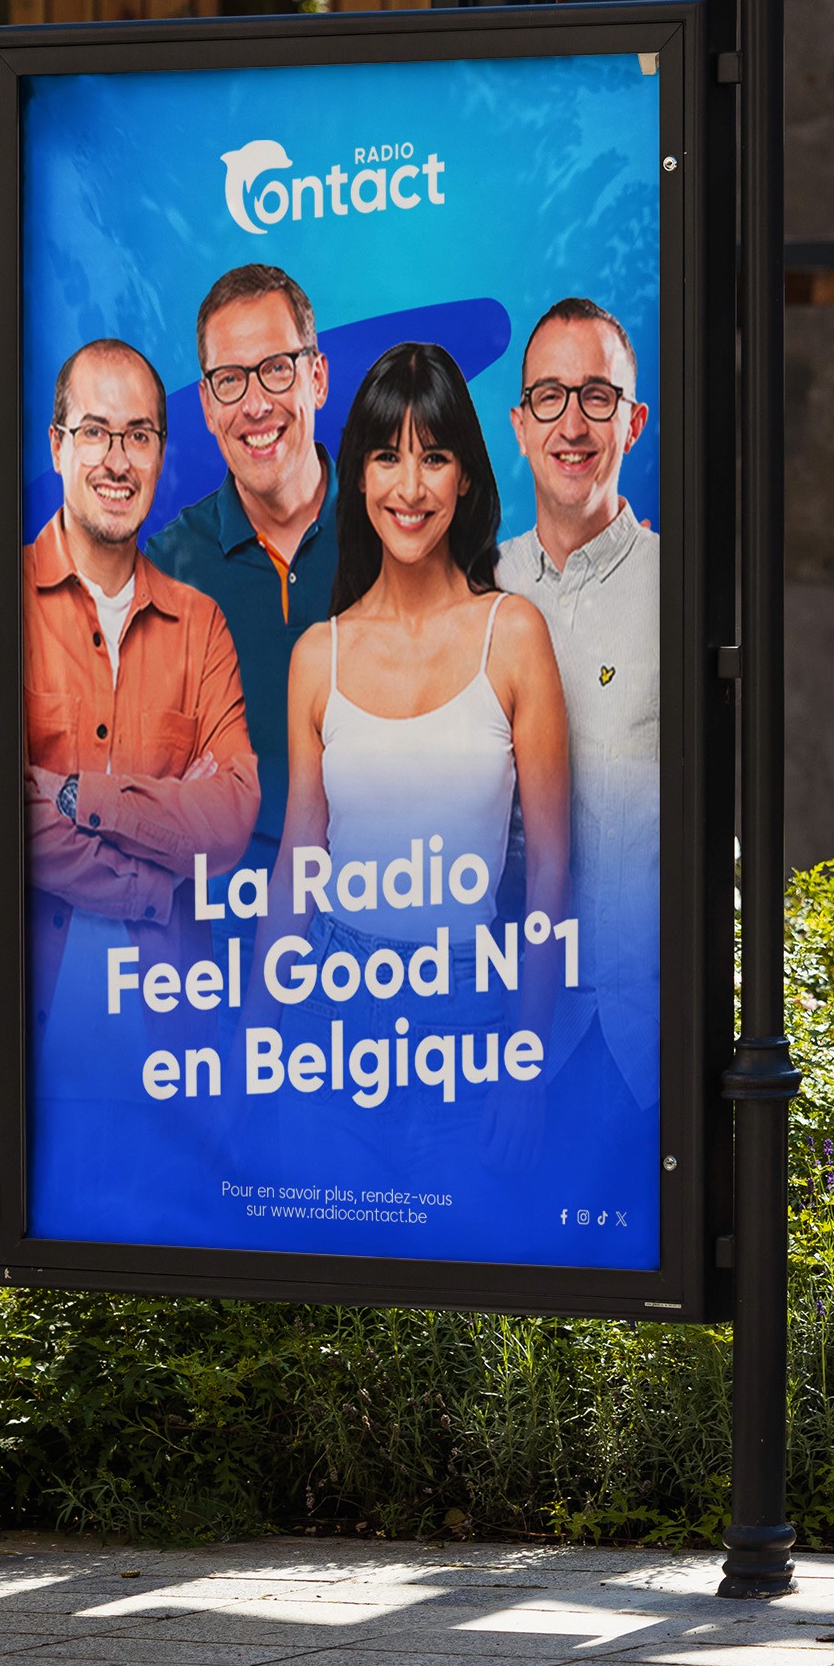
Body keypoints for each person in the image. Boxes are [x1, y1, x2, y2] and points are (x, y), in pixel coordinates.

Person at [251, 342, 570, 1159]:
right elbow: (298, 860)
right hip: (328, 997)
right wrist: (254, 1036)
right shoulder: (316, 656)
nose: (411, 485)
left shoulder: (514, 636)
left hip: (465, 1005)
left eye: (434, 456)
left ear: (464, 476)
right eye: (388, 456)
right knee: (316, 1264)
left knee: (455, 1274)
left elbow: (550, 873)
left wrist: (526, 1068)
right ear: (358, 476)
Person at [23, 337, 260, 1063]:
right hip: (36, 1064)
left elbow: (227, 822)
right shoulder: (1, 607)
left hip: (171, 1054)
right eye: (95, 433)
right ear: (59, 445)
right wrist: (152, 884)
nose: (117, 462)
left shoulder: (200, 625)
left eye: (139, 436)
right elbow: (1, 820)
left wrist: (67, 795)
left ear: (162, 452)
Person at [494, 298, 661, 1115]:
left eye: (597, 396)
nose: (573, 422)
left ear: (633, 422)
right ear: (520, 425)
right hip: (491, 1034)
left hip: (640, 1045)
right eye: (550, 398)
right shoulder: (472, 591)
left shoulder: (681, 591)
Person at [145, 264, 339, 872]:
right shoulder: (164, 569)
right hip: (222, 926)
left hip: (391, 907)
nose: (255, 405)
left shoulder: (396, 532)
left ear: (318, 377)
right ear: (206, 405)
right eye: (230, 380)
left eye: (277, 369)